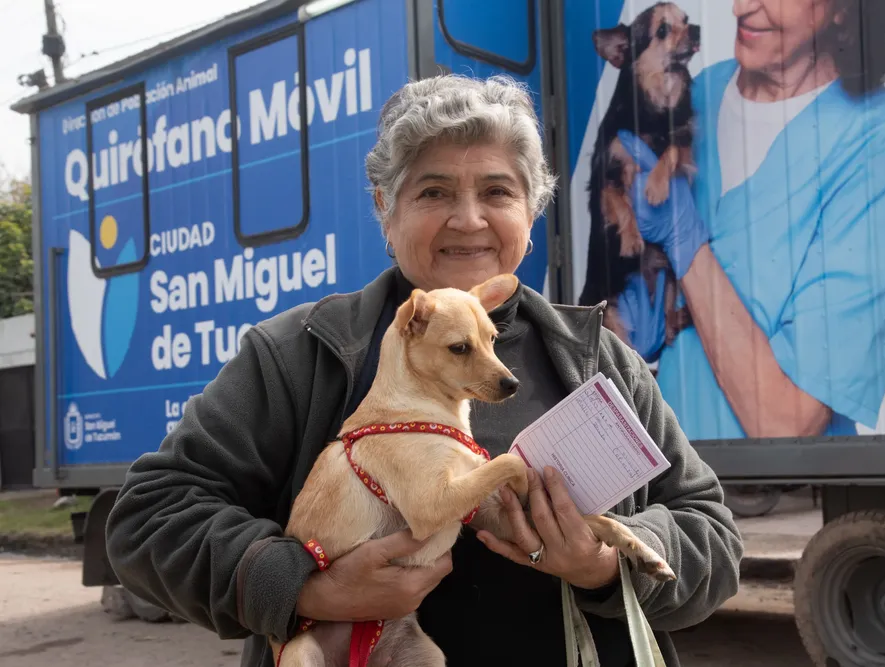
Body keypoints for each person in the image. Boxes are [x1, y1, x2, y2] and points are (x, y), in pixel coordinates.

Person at [104, 73, 743, 667]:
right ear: (387, 208)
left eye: (498, 192)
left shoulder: (600, 360)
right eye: (433, 192)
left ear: (531, 212)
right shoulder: (300, 354)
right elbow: (149, 517)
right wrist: (308, 588)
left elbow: (710, 533)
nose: (469, 219)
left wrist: (605, 565)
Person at [611, 0, 885, 441]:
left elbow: (788, 422)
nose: (741, 7)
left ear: (843, 9)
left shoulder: (880, 143)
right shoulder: (697, 93)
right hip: (662, 472)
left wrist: (686, 244)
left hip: (773, 481)